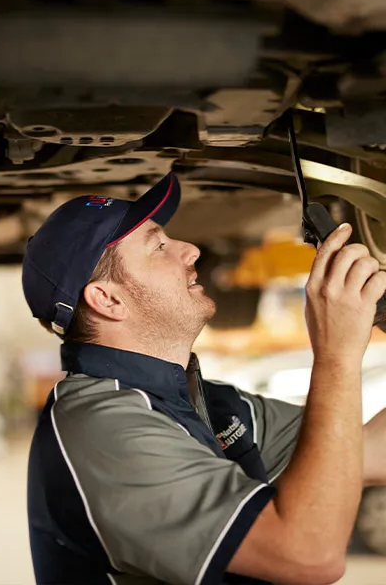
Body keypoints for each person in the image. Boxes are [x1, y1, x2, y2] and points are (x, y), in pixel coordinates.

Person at [23, 172, 386, 585]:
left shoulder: (207, 404)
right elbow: (308, 556)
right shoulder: (101, 427)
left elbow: (371, 450)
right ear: (108, 299)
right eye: (158, 246)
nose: (192, 250)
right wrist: (336, 354)